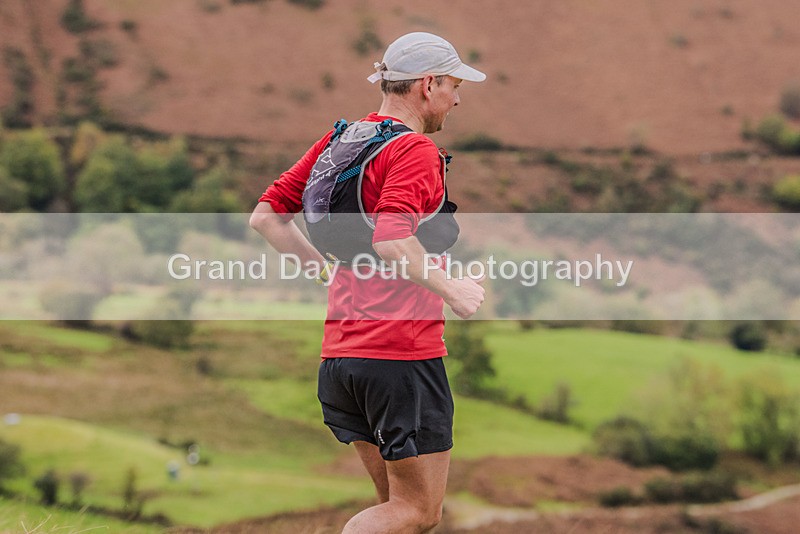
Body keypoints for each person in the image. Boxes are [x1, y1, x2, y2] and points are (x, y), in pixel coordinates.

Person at [250, 32, 486, 533]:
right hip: (400, 356)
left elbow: (267, 217)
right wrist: (456, 292)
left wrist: (326, 272)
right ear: (428, 84)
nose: (457, 99)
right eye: (454, 86)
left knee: (395, 511)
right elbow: (392, 240)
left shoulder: (339, 142)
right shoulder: (413, 150)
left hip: (342, 358)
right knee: (418, 511)